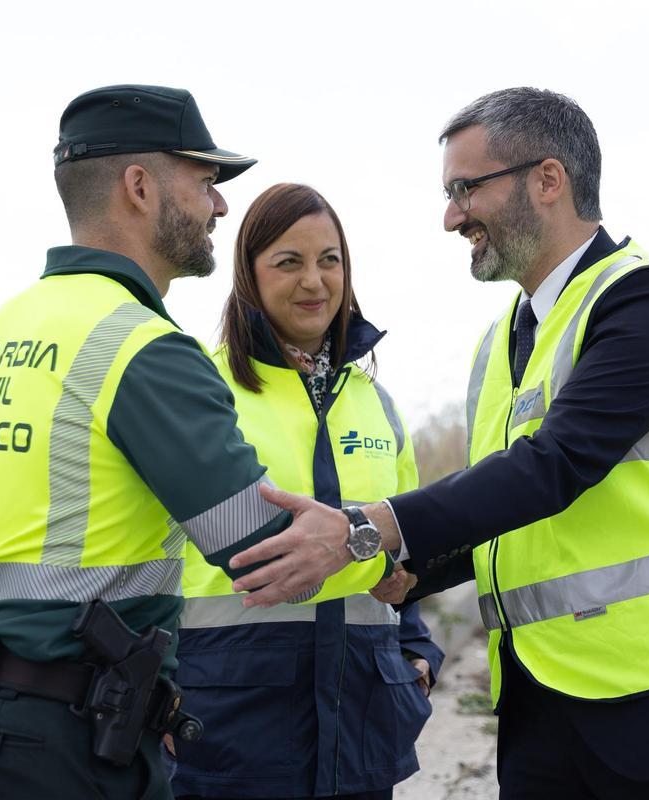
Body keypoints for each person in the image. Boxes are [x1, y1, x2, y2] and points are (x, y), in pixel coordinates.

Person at [227, 88, 649, 799]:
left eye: (466, 189)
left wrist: (365, 530)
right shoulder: (499, 345)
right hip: (547, 709)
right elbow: (506, 513)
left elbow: (553, 467)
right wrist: (416, 572)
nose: (450, 217)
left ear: (548, 179)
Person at [0, 85, 374, 800]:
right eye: (204, 182)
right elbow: (257, 550)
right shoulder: (141, 349)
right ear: (138, 187)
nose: (219, 206)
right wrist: (382, 541)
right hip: (70, 746)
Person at [171, 183, 442, 800]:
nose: (314, 282)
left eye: (330, 260)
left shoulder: (377, 404)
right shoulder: (201, 390)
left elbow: (408, 550)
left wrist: (419, 654)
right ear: (249, 275)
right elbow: (148, 552)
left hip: (364, 723)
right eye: (288, 262)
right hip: (229, 727)